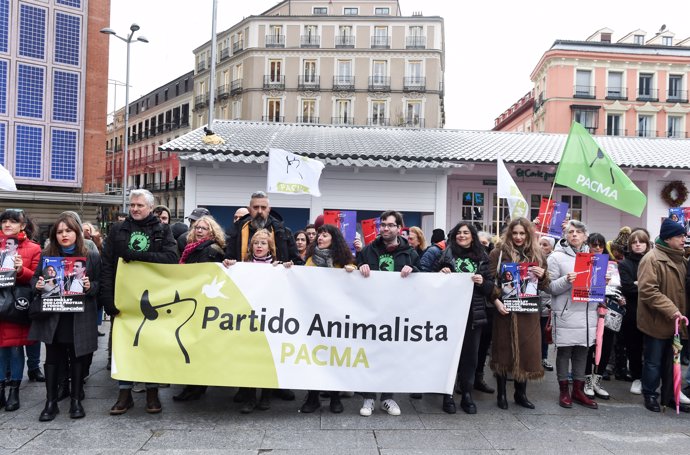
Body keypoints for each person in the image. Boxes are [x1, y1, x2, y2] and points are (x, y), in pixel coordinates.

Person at [100, 189, 179, 415]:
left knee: (151, 346)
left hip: (152, 299)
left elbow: (171, 259)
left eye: (139, 205)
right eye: (132, 205)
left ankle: (152, 392)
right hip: (123, 299)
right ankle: (124, 394)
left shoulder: (163, 230)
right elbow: (107, 266)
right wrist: (107, 298)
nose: (134, 209)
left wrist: (138, 257)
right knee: (123, 346)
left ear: (150, 208)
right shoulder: (117, 230)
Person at [30, 212, 100, 421]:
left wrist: (89, 286)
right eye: (60, 232)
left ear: (77, 232)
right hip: (54, 314)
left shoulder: (90, 255)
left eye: (68, 230)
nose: (64, 235)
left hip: (79, 315)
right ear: (55, 235)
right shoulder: (47, 254)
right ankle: (51, 402)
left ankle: (76, 400)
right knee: (52, 356)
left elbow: (99, 285)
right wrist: (39, 285)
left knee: (77, 356)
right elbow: (34, 280)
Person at [357, 210, 418, 416]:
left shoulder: (410, 253)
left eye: (390, 225)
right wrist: (360, 266)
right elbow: (353, 273)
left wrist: (414, 271)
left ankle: (388, 398)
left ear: (399, 228)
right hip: (371, 311)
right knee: (369, 354)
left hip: (396, 313)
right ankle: (368, 398)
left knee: (392, 355)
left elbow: (424, 279)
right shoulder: (368, 250)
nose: (385, 228)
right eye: (382, 224)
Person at [224, 229, 292, 413]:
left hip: (270, 320)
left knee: (267, 358)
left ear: (270, 246)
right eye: (256, 243)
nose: (259, 246)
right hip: (248, 319)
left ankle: (266, 396)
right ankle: (249, 397)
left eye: (263, 243)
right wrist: (229, 265)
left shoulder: (277, 267)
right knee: (248, 358)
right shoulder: (242, 266)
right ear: (251, 245)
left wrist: (287, 270)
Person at [488, 218, 549, 410]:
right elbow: (490, 282)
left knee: (526, 351)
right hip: (505, 311)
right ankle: (502, 394)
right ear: (509, 233)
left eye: (522, 233)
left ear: (528, 234)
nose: (518, 237)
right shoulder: (498, 253)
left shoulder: (537, 255)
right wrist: (497, 300)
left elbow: (545, 285)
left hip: (528, 312)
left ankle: (521, 393)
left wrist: (542, 275)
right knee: (503, 352)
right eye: (515, 233)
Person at [435, 221, 493, 414]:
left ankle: (467, 394)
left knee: (470, 356)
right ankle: (447, 395)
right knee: (449, 356)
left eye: (466, 232)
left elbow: (490, 288)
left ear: (472, 236)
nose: (462, 235)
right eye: (459, 232)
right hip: (450, 313)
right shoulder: (446, 254)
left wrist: (482, 281)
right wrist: (441, 273)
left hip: (473, 314)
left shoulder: (483, 257)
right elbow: (435, 283)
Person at [300, 224, 357, 414]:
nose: (320, 239)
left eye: (324, 235)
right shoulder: (310, 259)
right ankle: (313, 397)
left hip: (335, 316)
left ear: (334, 238)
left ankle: (334, 397)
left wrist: (352, 271)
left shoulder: (344, 260)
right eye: (319, 236)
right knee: (313, 356)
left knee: (333, 356)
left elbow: (353, 282)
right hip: (314, 315)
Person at [173, 215, 226, 402]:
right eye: (197, 227)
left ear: (212, 231)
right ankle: (193, 385)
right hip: (192, 300)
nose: (200, 230)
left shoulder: (212, 250)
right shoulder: (191, 249)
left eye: (204, 228)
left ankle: (196, 386)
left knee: (198, 346)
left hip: (202, 303)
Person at [637, 218, 688, 413]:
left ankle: (670, 395)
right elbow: (648, 290)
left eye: (684, 235)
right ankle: (650, 394)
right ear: (667, 239)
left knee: (672, 361)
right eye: (679, 235)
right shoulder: (651, 259)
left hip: (676, 322)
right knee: (653, 360)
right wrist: (671, 309)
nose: (684, 239)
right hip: (657, 321)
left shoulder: (681, 259)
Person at [547, 219, 598, 410]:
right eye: (570, 232)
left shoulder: (593, 257)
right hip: (567, 312)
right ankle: (563, 391)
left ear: (585, 236)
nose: (574, 234)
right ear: (565, 235)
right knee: (565, 352)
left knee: (582, 351)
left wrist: (603, 281)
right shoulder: (556, 257)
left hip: (587, 312)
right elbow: (549, 287)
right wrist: (567, 280)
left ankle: (578, 390)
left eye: (578, 232)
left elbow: (595, 286)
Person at [0, 209, 41, 410]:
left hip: (16, 306)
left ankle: (14, 391)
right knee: (1, 350)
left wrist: (20, 270)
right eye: (4, 221)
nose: (8, 225)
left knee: (16, 348)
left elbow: (36, 278)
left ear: (22, 225)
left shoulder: (33, 248)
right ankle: (1, 389)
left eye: (13, 222)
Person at [226, 191, 302, 266]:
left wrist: (289, 264)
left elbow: (297, 262)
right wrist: (228, 262)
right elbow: (227, 259)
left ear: (269, 209)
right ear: (249, 210)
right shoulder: (236, 231)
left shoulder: (283, 232)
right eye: (255, 207)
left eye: (263, 207)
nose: (259, 211)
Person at [583, 233, 615, 400]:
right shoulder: (583, 262)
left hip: (608, 312)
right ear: (588, 245)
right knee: (589, 346)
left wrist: (615, 291)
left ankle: (597, 380)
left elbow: (618, 287)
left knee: (606, 346)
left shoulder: (612, 265)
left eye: (600, 245)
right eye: (594, 245)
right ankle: (587, 381)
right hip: (589, 310)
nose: (597, 248)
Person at [619, 229, 651, 396]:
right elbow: (628, 288)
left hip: (652, 309)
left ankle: (650, 379)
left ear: (647, 244)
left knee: (651, 347)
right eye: (634, 242)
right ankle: (636, 377)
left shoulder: (653, 261)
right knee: (634, 346)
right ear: (630, 245)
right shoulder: (625, 264)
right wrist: (644, 286)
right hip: (633, 311)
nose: (638, 244)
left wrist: (639, 283)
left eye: (641, 241)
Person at [538, 236, 556, 371]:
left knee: (544, 332)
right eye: (540, 244)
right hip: (533, 301)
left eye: (545, 245)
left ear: (551, 247)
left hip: (546, 301)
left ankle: (543, 358)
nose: (542, 247)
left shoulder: (553, 260)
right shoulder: (534, 257)